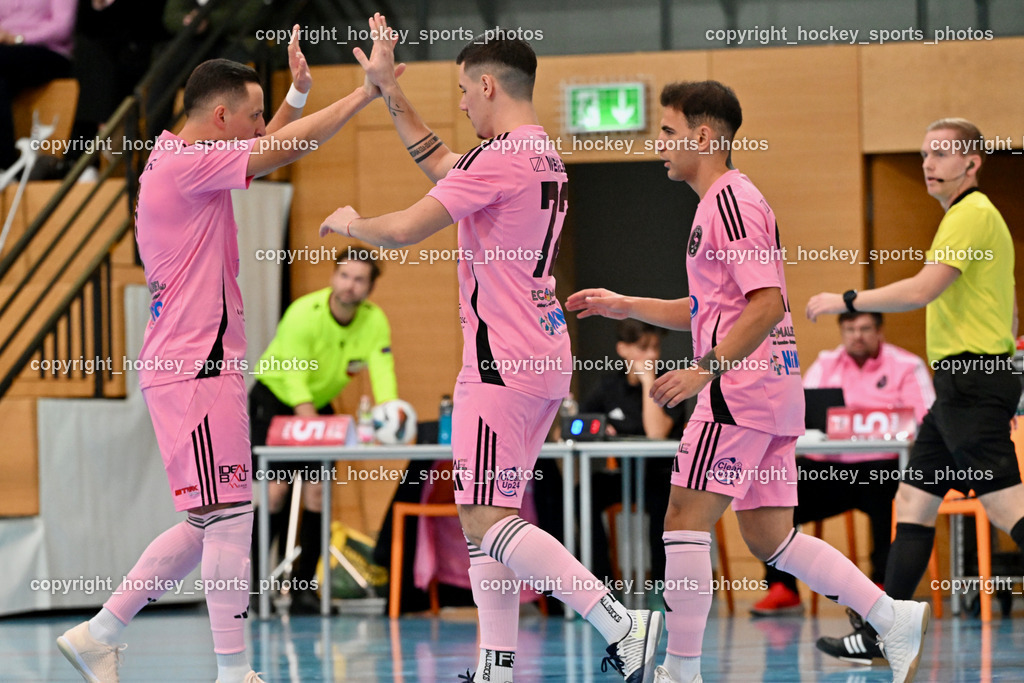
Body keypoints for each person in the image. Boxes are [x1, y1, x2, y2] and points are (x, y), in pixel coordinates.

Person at [320, 15, 663, 683]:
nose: (460, 105)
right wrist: (389, 89)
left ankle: (620, 621)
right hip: (541, 354)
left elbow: (404, 230)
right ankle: (496, 666)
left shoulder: (498, 158)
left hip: (499, 361)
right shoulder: (540, 154)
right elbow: (442, 163)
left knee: (484, 515)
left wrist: (353, 223)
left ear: (486, 86)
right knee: (490, 516)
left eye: (462, 92)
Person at [56, 26, 402, 683]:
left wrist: (297, 94)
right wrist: (366, 93)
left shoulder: (181, 156)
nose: (258, 127)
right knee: (230, 516)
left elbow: (265, 146)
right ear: (220, 117)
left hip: (192, 368)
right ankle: (232, 670)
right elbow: (281, 148)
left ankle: (99, 634)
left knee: (208, 520)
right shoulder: (189, 166)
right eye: (251, 115)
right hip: (196, 368)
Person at [565, 80, 930, 683]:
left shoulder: (731, 202)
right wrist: (625, 304)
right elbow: (710, 308)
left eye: (669, 131)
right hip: (769, 393)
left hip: (739, 392)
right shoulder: (719, 204)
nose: (660, 144)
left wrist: (704, 369)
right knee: (769, 537)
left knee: (682, 519)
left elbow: (766, 303)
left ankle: (681, 670)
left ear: (704, 136)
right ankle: (891, 618)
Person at [808, 117, 1022, 665]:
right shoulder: (972, 217)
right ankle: (884, 633)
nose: (929, 163)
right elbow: (1008, 307)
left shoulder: (970, 214)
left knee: (1005, 507)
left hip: (971, 382)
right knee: (913, 501)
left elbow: (924, 289)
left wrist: (846, 300)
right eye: (925, 154)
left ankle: (881, 631)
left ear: (972, 163)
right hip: (959, 388)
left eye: (942, 153)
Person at [751, 311, 935, 616]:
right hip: (831, 470)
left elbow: (925, 420)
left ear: (880, 331)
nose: (857, 335)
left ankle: (882, 588)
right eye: (850, 329)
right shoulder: (825, 363)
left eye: (864, 328)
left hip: (883, 468)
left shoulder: (907, 364)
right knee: (775, 487)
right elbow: (800, 414)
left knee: (888, 491)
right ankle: (782, 588)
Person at [248, 250, 397, 612]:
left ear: (370, 287)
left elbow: (383, 373)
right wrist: (311, 425)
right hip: (276, 399)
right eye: (344, 276)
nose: (350, 286)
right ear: (333, 277)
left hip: (318, 405)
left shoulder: (374, 320)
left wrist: (391, 418)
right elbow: (294, 377)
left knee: (317, 493)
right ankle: (252, 588)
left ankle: (303, 589)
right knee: (275, 493)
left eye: (359, 279)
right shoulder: (303, 313)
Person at [580, 319, 685, 595]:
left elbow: (656, 433)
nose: (651, 355)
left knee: (664, 502)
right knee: (584, 495)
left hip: (662, 476)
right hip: (623, 474)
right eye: (643, 347)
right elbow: (572, 427)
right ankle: (599, 585)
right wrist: (598, 427)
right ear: (623, 349)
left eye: (655, 347)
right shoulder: (609, 385)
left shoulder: (671, 383)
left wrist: (649, 381)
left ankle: (661, 588)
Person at [0, 0, 76, 171]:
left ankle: (6, 164)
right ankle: (8, 167)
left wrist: (18, 38)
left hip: (48, 51)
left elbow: (62, 28)